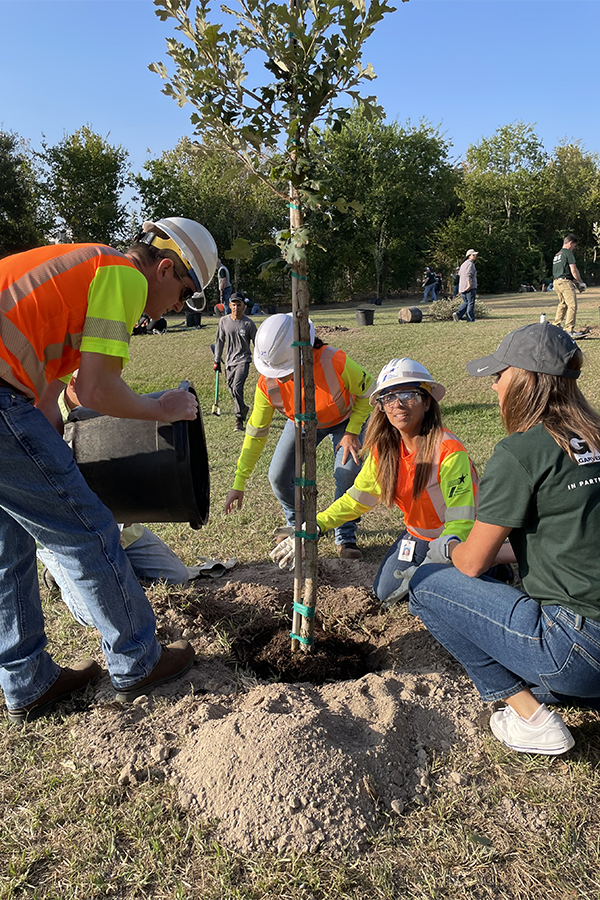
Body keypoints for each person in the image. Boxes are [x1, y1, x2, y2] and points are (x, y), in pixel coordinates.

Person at [0, 216, 217, 724]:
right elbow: (97, 390)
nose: (176, 308)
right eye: (184, 293)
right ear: (164, 269)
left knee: (9, 543)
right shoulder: (122, 275)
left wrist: (55, 464)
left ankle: (27, 680)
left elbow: (53, 397)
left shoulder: (80, 270)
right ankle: (139, 659)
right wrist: (161, 408)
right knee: (87, 530)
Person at [409, 323, 600, 756]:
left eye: (500, 374)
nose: (494, 385)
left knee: (426, 588)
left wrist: (446, 549)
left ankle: (529, 717)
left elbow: (473, 564)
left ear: (528, 380)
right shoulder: (594, 435)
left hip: (577, 647)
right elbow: (565, 533)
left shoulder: (522, 451)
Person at [271, 359, 479, 605]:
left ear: (427, 401)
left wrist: (439, 557)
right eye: (389, 398)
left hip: (455, 541)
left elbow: (463, 520)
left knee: (433, 591)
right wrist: (314, 526)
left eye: (408, 394)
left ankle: (485, 565)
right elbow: (357, 499)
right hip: (419, 535)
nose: (398, 404)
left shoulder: (448, 451)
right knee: (385, 590)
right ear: (381, 407)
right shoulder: (385, 451)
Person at [224, 313, 374, 559]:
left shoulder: (334, 361)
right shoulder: (267, 385)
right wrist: (239, 482)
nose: (278, 377)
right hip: (301, 423)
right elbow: (255, 433)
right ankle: (299, 525)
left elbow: (369, 392)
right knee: (278, 475)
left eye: (284, 370)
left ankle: (345, 535)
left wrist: (352, 431)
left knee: (347, 471)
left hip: (346, 419)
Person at [213, 292, 257, 432]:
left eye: (239, 305)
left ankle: (239, 419)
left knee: (237, 388)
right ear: (229, 305)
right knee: (232, 389)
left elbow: (257, 343)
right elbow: (220, 341)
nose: (236, 308)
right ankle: (243, 407)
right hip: (229, 362)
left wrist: (261, 360)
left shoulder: (249, 324)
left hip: (243, 360)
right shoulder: (224, 321)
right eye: (233, 305)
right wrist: (216, 360)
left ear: (244, 306)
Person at [552, 233, 585, 339]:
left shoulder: (558, 254)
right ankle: (569, 329)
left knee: (562, 304)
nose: (574, 248)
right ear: (570, 243)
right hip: (565, 283)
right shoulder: (567, 253)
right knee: (572, 305)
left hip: (556, 282)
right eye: (574, 246)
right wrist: (580, 282)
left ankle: (556, 326)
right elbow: (573, 269)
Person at [453, 250, 478, 322]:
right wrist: (469, 284)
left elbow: (460, 274)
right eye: (473, 255)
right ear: (469, 256)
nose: (475, 256)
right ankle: (470, 319)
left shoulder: (463, 264)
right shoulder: (470, 264)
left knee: (466, 302)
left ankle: (458, 314)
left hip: (462, 287)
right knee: (471, 302)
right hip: (469, 286)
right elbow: (468, 274)